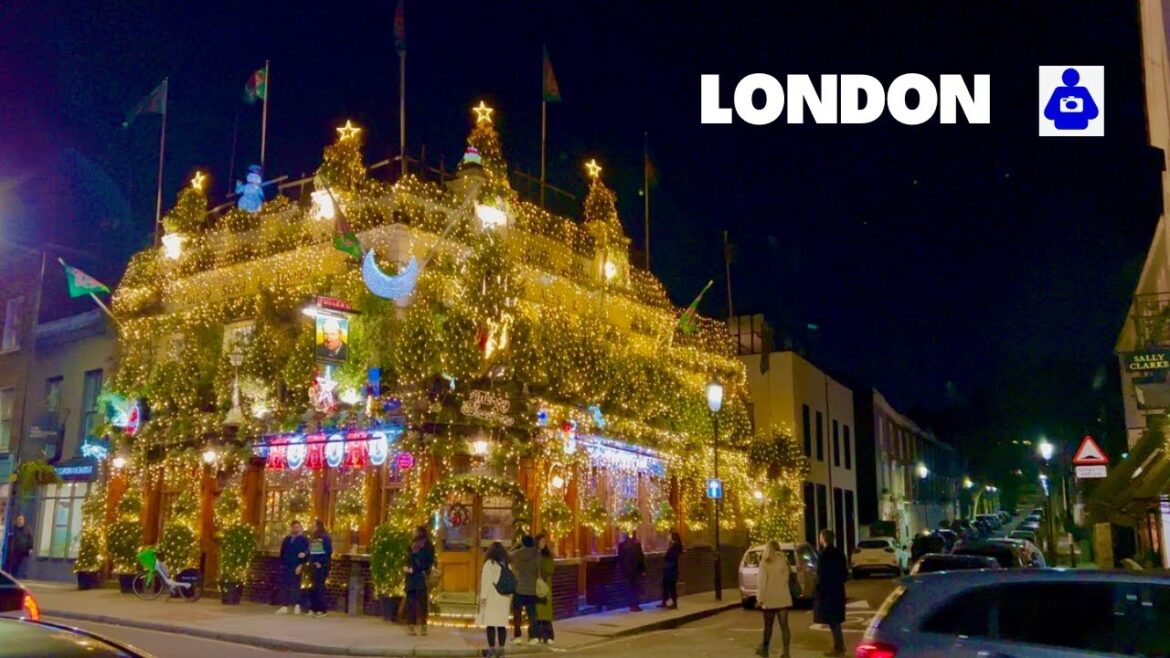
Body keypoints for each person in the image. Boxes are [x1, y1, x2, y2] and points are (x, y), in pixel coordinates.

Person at [755, 541, 794, 658]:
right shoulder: (784, 562)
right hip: (783, 597)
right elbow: (787, 579)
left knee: (768, 626)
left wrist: (760, 600)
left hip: (769, 598)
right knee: (785, 626)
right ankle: (786, 652)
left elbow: (762, 584)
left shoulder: (765, 563)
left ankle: (765, 650)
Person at [814, 529, 847, 657]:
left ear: (824, 539)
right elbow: (844, 574)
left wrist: (819, 590)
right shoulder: (839, 553)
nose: (819, 539)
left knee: (833, 620)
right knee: (836, 619)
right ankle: (839, 645)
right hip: (838, 591)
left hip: (828, 592)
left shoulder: (824, 555)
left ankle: (839, 646)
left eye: (820, 537)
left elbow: (820, 576)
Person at [478, 542, 513, 658]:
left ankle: (491, 649)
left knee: (491, 624)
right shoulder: (507, 564)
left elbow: (486, 582)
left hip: (492, 597)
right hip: (504, 598)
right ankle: (501, 650)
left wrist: (483, 597)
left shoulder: (489, 564)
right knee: (502, 625)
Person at [404, 525, 435, 635]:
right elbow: (407, 558)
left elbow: (428, 561)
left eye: (415, 531)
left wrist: (415, 568)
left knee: (422, 602)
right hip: (411, 577)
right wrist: (406, 567)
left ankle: (423, 625)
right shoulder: (411, 545)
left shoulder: (427, 546)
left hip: (421, 577)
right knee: (411, 602)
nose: (413, 533)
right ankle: (411, 625)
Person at [509, 534, 540, 644]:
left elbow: (507, 555)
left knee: (517, 614)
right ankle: (534, 637)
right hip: (531, 588)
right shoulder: (537, 554)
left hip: (519, 587)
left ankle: (518, 636)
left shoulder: (517, 554)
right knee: (532, 614)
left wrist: (516, 545)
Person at [276, 520, 309, 615]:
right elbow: (282, 552)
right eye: (294, 527)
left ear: (301, 528)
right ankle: (285, 605)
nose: (295, 529)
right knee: (285, 585)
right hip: (287, 565)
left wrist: (301, 565)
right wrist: (281, 564)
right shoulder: (287, 539)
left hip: (296, 565)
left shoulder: (304, 540)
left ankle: (297, 605)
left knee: (296, 585)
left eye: (297, 527)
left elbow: (306, 553)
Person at [533, 534, 556, 644]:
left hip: (545, 587)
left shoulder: (547, 555)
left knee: (546, 613)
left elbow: (550, 570)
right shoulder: (532, 555)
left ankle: (548, 636)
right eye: (541, 541)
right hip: (535, 587)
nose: (543, 543)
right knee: (537, 614)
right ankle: (537, 635)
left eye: (544, 541)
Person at [307, 519, 333, 618]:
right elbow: (312, 551)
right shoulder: (314, 537)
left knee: (319, 587)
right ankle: (314, 608)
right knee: (314, 587)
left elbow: (327, 551)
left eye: (313, 525)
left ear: (318, 527)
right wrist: (311, 561)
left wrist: (321, 562)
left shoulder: (324, 537)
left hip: (322, 566)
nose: (311, 527)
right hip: (314, 565)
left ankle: (322, 609)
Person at [617, 531, 646, 612]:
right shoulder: (637, 544)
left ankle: (631, 604)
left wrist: (621, 570)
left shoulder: (621, 545)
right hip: (635, 570)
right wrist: (643, 570)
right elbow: (640, 558)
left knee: (629, 587)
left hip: (627, 570)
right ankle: (635, 605)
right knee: (635, 587)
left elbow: (620, 559)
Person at [659, 531, 682, 609]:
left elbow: (672, 557)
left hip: (670, 569)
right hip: (671, 569)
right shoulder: (675, 545)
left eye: (670, 536)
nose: (668, 537)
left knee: (671, 586)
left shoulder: (675, 546)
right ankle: (665, 601)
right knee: (667, 585)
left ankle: (673, 603)